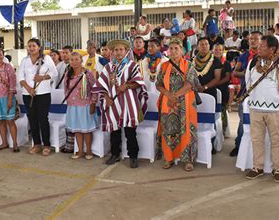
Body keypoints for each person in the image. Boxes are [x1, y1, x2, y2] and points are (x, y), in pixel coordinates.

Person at [244, 35, 279, 183]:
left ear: (272, 48)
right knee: (256, 139)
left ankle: (277, 168)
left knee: (276, 139)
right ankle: (257, 167)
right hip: (255, 108)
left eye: (262, 46)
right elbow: (248, 83)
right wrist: (254, 99)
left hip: (275, 110)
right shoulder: (253, 62)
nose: (258, 48)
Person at [92, 39, 148, 169]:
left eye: (121, 49)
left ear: (126, 51)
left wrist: (127, 85)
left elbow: (139, 82)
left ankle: (133, 156)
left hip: (129, 102)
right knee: (114, 130)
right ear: (112, 52)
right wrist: (106, 97)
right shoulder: (108, 67)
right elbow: (100, 84)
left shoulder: (132, 65)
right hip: (112, 103)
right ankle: (115, 154)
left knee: (130, 132)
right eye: (116, 50)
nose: (118, 52)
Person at [156, 37, 198, 171]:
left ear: (182, 51)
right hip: (168, 102)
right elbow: (158, 84)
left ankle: (188, 160)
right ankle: (169, 158)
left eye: (176, 48)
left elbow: (190, 83)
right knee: (168, 130)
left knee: (186, 131)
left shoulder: (188, 64)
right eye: (171, 48)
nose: (173, 51)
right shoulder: (164, 66)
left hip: (185, 102)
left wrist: (174, 95)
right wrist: (168, 95)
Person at [17, 38, 57, 156]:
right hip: (28, 94)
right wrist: (29, 89)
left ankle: (46, 145)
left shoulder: (47, 58)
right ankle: (37, 144)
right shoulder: (24, 60)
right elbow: (20, 77)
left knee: (43, 119)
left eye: (34, 46)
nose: (31, 48)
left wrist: (42, 78)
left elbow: (54, 73)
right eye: (29, 46)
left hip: (43, 94)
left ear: (39, 47)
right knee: (32, 119)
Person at [230, 31, 261, 157]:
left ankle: (256, 146)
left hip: (260, 93)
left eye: (256, 39)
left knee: (258, 121)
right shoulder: (244, 56)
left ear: (261, 41)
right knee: (243, 119)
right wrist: (249, 74)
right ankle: (239, 145)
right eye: (251, 39)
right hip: (245, 92)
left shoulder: (264, 56)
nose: (252, 41)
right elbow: (235, 73)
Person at [64, 52, 98, 160]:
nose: (74, 62)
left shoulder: (88, 73)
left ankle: (88, 150)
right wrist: (69, 101)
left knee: (86, 130)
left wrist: (93, 103)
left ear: (81, 60)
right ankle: (80, 151)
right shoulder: (68, 74)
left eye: (76, 59)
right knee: (77, 129)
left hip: (85, 106)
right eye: (71, 60)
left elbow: (95, 89)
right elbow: (66, 89)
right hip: (73, 106)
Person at [213, 44, 231, 132]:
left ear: (222, 51)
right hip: (212, 87)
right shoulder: (210, 62)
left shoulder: (226, 63)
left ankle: (223, 129)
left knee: (222, 109)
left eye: (220, 50)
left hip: (222, 88)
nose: (217, 51)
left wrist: (216, 83)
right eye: (216, 49)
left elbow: (227, 77)